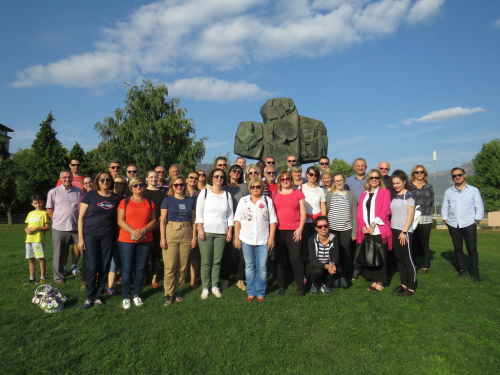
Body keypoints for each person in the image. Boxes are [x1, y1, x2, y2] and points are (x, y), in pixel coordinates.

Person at [78, 172, 120, 309]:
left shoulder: (115, 198)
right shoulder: (90, 195)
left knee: (104, 266)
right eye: (102, 179)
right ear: (98, 181)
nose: (105, 181)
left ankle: (98, 296)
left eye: (108, 179)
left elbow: (118, 219)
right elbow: (81, 218)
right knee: (92, 266)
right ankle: (90, 297)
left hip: (108, 235)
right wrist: (80, 238)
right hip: (91, 235)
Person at [234, 177, 277, 302]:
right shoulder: (243, 201)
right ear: (250, 188)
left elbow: (273, 220)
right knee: (249, 266)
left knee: (262, 266)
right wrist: (237, 238)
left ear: (262, 188)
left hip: (263, 238)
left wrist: (271, 237)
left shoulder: (267, 201)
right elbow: (237, 220)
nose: (255, 189)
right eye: (253, 187)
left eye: (258, 186)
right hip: (246, 238)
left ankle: (261, 292)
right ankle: (251, 292)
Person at [117, 177, 157, 309]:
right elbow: (120, 221)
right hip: (126, 240)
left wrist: (143, 230)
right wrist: (134, 232)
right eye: (135, 185)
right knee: (127, 269)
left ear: (144, 186)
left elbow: (153, 220)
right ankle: (126, 296)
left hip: (145, 240)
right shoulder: (125, 202)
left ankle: (137, 294)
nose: (138, 187)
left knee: (141, 269)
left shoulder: (149, 203)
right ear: (131, 187)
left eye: (140, 185)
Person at [195, 168, 234, 299]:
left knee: (217, 261)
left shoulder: (227, 195)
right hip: (206, 231)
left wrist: (230, 230)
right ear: (211, 178)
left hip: (221, 232)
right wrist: (200, 229)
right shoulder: (204, 193)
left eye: (221, 177)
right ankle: (205, 287)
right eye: (216, 176)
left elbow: (230, 215)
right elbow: (198, 212)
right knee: (206, 261)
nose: (219, 179)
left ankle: (215, 286)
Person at [442, 167, 484, 283]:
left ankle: (475, 273)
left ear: (464, 175)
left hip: (469, 223)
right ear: (452, 178)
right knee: (458, 249)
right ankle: (462, 271)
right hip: (454, 224)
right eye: (455, 176)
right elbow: (445, 207)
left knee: (472, 250)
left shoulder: (473, 190)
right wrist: (446, 220)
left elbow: (479, 206)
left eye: (459, 175)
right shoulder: (448, 192)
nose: (457, 177)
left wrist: (477, 220)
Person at [160, 176, 197, 306]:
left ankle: (177, 290)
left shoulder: (190, 200)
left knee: (182, 266)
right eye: (176, 185)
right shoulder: (167, 200)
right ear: (172, 187)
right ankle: (168, 294)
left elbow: (193, 220)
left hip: (186, 231)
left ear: (184, 186)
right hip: (171, 231)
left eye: (181, 185)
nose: (179, 187)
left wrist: (194, 237)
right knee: (170, 266)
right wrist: (163, 238)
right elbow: (163, 220)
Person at [356, 169, 391, 292]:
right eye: (372, 178)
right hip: (366, 230)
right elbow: (359, 212)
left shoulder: (384, 192)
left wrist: (372, 225)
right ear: (368, 179)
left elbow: (385, 210)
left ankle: (380, 282)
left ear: (380, 179)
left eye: (377, 178)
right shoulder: (364, 193)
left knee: (380, 255)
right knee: (371, 254)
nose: (374, 180)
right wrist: (362, 226)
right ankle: (373, 279)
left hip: (379, 229)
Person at [272, 170, 307, 297]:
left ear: (290, 180)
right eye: (282, 179)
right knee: (280, 260)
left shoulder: (298, 193)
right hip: (278, 231)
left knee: (295, 259)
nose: (285, 180)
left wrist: (300, 229)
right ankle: (281, 286)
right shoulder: (274, 194)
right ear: (279, 181)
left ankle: (301, 288)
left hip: (294, 231)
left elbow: (303, 213)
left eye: (287, 178)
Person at [46, 170, 83, 284]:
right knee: (58, 254)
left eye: (69, 177)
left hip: (76, 228)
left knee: (85, 251)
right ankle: (58, 278)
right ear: (60, 178)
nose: (67, 179)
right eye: (64, 177)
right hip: (59, 228)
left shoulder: (79, 191)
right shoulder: (53, 192)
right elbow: (49, 208)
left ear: (72, 178)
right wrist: (56, 220)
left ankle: (89, 274)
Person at [326, 172, 357, 288]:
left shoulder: (350, 195)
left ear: (344, 181)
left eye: (340, 180)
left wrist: (354, 232)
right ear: (333, 182)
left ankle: (342, 276)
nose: (338, 182)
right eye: (336, 181)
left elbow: (354, 213)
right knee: (333, 254)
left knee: (344, 253)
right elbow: (327, 211)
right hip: (332, 229)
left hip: (346, 229)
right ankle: (334, 276)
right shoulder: (329, 195)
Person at [221, 164, 249, 291]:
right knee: (226, 252)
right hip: (226, 223)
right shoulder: (224, 188)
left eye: (239, 171)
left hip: (242, 224)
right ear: (229, 173)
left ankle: (240, 278)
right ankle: (225, 277)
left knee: (240, 252)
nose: (236, 172)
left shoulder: (244, 187)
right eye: (234, 170)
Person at [390, 170, 417, 296]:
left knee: (408, 259)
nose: (396, 185)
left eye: (398, 183)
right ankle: (403, 284)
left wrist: (404, 231)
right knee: (399, 259)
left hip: (404, 231)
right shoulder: (395, 195)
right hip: (394, 230)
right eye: (394, 183)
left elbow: (411, 214)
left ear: (404, 182)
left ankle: (411, 288)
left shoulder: (409, 195)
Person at [301, 166, 326, 274]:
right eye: (311, 174)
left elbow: (323, 207)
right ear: (306, 175)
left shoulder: (320, 190)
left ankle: (317, 271)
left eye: (315, 175)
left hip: (317, 223)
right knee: (305, 248)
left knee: (317, 248)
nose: (313, 176)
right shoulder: (301, 187)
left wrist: (323, 222)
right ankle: (306, 273)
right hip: (305, 222)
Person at [410, 165, 434, 274]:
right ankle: (413, 264)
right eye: (417, 172)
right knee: (413, 241)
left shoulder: (429, 187)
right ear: (413, 174)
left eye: (421, 172)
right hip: (412, 217)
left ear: (425, 173)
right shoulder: (409, 186)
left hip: (425, 217)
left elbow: (431, 202)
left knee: (425, 242)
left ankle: (425, 265)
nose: (419, 174)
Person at [144, 171, 166, 289]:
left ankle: (154, 278)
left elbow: (163, 212)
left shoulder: (162, 194)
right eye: (151, 177)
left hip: (158, 226)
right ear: (147, 178)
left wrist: (158, 224)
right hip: (143, 227)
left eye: (156, 177)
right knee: (143, 254)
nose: (153, 179)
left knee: (156, 255)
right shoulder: (142, 192)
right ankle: (142, 278)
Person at [107, 174, 128, 295]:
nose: (119, 185)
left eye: (121, 183)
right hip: (110, 231)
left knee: (125, 258)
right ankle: (110, 285)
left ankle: (125, 279)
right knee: (113, 260)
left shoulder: (127, 198)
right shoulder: (109, 198)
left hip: (124, 231)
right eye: (116, 183)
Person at [306, 216, 339, 296]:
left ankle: (326, 285)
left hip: (328, 263)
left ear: (328, 226)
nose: (323, 228)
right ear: (316, 228)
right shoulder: (312, 239)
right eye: (320, 226)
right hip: (315, 265)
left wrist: (333, 264)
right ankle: (315, 285)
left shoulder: (334, 237)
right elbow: (313, 259)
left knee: (338, 269)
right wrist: (326, 266)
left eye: (325, 226)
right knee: (318, 271)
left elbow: (335, 255)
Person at [24, 194, 50, 284]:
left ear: (42, 202)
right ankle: (32, 277)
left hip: (38, 239)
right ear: (32, 204)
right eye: (35, 203)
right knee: (31, 258)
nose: (38, 204)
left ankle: (42, 277)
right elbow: (27, 226)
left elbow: (47, 227)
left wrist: (37, 228)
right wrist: (27, 229)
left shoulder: (44, 213)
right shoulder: (30, 213)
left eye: (39, 202)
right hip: (29, 239)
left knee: (40, 258)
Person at [184, 171, 201, 287]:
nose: (193, 180)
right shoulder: (180, 191)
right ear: (186, 179)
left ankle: (193, 280)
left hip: (197, 225)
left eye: (196, 178)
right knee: (183, 254)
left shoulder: (201, 194)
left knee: (195, 254)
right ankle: (183, 278)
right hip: (183, 225)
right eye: (191, 177)